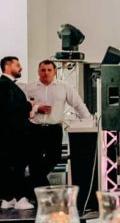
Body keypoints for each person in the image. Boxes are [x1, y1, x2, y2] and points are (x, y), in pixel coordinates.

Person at [23, 59, 93, 188]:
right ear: (38, 71)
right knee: (34, 162)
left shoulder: (64, 87)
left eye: (49, 70)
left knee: (54, 159)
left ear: (55, 71)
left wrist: (88, 121)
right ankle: (40, 197)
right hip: (34, 129)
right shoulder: (29, 87)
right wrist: (37, 108)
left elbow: (78, 104)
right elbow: (22, 107)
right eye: (43, 70)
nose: (46, 73)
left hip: (54, 129)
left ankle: (25, 185)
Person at [0, 55, 35, 210]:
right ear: (8, 66)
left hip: (11, 135)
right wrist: (29, 105)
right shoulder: (4, 85)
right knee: (17, 166)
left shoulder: (7, 85)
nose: (20, 68)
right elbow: (10, 109)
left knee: (10, 167)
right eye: (17, 65)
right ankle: (19, 198)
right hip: (13, 136)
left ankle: (9, 197)